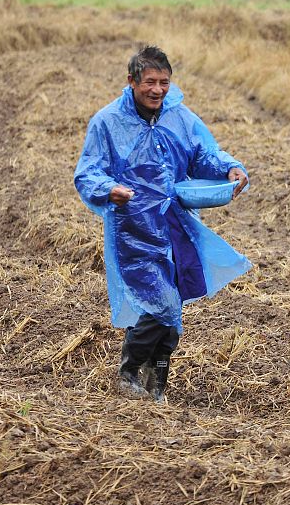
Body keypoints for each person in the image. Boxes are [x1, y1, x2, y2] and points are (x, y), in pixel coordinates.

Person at [74, 45, 251, 402]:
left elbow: (203, 154)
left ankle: (156, 382)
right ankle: (128, 373)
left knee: (172, 311)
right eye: (150, 82)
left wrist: (229, 168)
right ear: (132, 81)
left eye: (164, 82)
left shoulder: (179, 117)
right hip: (134, 230)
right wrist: (109, 189)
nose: (157, 90)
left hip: (177, 226)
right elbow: (88, 172)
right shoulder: (108, 122)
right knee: (163, 303)